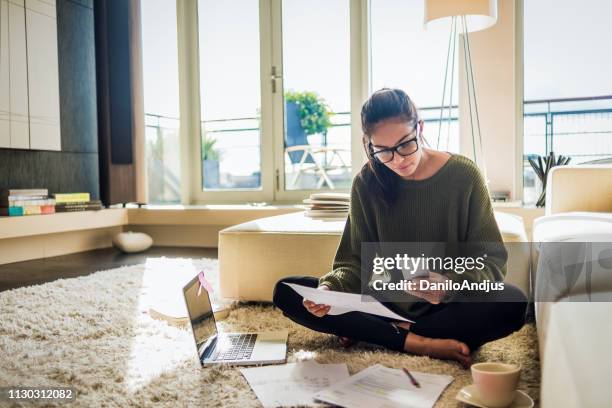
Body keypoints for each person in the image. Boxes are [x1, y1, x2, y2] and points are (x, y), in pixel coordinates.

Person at [273, 88, 527, 367]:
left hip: (443, 309)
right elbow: (354, 263)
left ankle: (379, 333)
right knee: (287, 290)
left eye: (406, 144)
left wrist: (449, 285)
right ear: (370, 145)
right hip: (382, 305)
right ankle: (415, 341)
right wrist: (332, 287)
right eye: (383, 151)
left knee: (512, 302)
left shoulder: (465, 176)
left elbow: (492, 263)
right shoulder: (366, 183)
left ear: (419, 127)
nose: (398, 159)